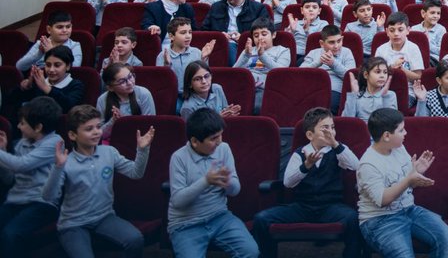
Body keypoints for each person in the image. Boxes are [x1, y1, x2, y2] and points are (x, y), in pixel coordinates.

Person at [43, 104, 154, 258]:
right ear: (73, 135)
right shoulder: (65, 162)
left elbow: (136, 173)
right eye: (89, 129)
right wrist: (58, 168)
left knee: (135, 239)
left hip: (105, 217)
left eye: (98, 127)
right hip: (73, 224)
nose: (96, 132)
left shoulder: (109, 152)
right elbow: (49, 198)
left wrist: (142, 150)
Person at [252, 107, 360, 258]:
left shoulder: (338, 150)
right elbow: (288, 183)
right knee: (261, 219)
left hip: (330, 206)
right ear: (310, 135)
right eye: (325, 128)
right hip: (302, 206)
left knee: (353, 218)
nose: (331, 132)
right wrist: (306, 166)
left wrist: (335, 144)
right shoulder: (300, 153)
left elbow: (355, 165)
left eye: (332, 128)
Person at [356, 108, 448, 258]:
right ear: (387, 136)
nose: (406, 133)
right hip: (379, 220)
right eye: (401, 130)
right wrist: (409, 179)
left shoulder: (399, 148)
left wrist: (417, 172)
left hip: (409, 209)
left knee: (444, 236)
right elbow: (383, 200)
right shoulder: (368, 164)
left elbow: (409, 185)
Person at [167, 108, 259, 258]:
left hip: (219, 217)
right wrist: (206, 181)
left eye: (220, 135)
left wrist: (227, 182)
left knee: (250, 251)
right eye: (213, 138)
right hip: (186, 224)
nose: (219, 141)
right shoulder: (178, 158)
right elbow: (177, 201)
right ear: (195, 142)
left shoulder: (223, 149)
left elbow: (235, 190)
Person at [0, 97, 63, 252]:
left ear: (38, 127)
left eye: (22, 123)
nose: (18, 127)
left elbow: (22, 165)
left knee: (11, 234)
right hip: (16, 200)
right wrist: (2, 151)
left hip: (42, 203)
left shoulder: (54, 143)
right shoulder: (23, 143)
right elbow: (10, 179)